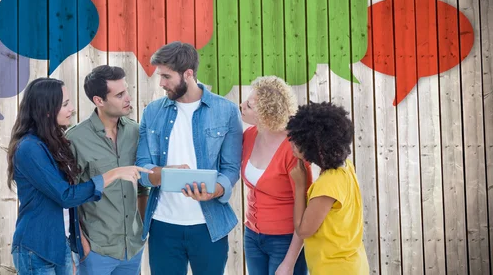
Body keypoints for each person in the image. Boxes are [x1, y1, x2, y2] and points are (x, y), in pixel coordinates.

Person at [7, 77, 150, 275]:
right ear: (47, 110)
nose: (72, 109)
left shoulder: (53, 143)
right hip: (37, 249)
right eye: (65, 104)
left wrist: (75, 243)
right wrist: (113, 174)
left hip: (60, 246)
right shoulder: (29, 148)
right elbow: (65, 195)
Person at [135, 41, 243, 275]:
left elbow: (232, 167)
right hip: (163, 226)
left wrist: (216, 189)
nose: (161, 83)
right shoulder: (152, 112)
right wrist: (162, 173)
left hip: (209, 225)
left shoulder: (226, 111)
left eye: (166, 76)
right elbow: (142, 168)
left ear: (188, 74)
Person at [66, 65, 149, 275]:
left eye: (127, 91)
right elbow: (66, 198)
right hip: (95, 250)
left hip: (132, 249)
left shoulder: (136, 132)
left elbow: (142, 187)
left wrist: (141, 230)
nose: (128, 98)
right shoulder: (75, 139)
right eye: (119, 95)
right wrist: (81, 244)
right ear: (98, 100)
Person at [240, 76, 312, 275]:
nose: (241, 106)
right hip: (252, 236)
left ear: (266, 115)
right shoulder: (249, 136)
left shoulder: (294, 149)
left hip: (286, 240)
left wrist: (289, 263)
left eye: (249, 105)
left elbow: (305, 208)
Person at [286, 101, 369, 275]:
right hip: (353, 263)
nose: (291, 144)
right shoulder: (346, 167)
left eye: (298, 142)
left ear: (316, 149)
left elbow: (303, 230)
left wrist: (300, 186)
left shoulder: (327, 185)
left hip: (334, 269)